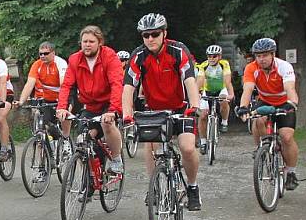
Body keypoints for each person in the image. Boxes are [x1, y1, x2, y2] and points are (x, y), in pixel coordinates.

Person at [122, 13, 202, 210]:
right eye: (145, 35)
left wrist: (194, 106)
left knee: (188, 147)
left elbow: (190, 80)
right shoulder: (139, 56)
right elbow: (128, 88)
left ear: (164, 33)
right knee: (151, 146)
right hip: (155, 109)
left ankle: (192, 187)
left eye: (155, 34)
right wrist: (126, 114)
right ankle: (154, 186)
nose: (150, 39)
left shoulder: (178, 50)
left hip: (181, 107)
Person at [56, 26, 124, 173]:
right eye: (84, 41)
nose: (87, 44)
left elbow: (117, 84)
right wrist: (62, 107)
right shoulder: (75, 59)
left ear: (100, 42)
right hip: (90, 106)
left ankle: (117, 158)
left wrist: (113, 111)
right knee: (82, 141)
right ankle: (88, 179)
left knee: (107, 124)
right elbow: (67, 85)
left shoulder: (109, 56)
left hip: (108, 104)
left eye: (91, 41)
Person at [236, 38, 300, 190]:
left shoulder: (284, 66)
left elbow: (290, 88)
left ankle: (291, 172)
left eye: (265, 55)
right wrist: (243, 107)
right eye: (258, 56)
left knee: (286, 136)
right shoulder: (251, 68)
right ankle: (263, 149)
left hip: (284, 101)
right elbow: (248, 89)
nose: (261, 59)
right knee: (257, 120)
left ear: (273, 54)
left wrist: (292, 103)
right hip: (265, 100)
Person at [17, 41, 70, 146]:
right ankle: (48, 148)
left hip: (62, 96)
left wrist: (62, 103)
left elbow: (63, 84)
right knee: (45, 123)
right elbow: (29, 84)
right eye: (40, 53)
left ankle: (66, 140)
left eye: (46, 53)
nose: (42, 56)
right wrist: (21, 101)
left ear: (53, 53)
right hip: (48, 98)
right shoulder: (37, 65)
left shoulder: (60, 63)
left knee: (63, 116)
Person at [197, 44, 235, 153]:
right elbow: (199, 81)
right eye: (209, 56)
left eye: (214, 56)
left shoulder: (224, 64)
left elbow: (227, 81)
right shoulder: (203, 65)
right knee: (203, 115)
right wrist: (196, 94)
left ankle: (224, 122)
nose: (211, 59)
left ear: (219, 57)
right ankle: (203, 142)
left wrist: (231, 94)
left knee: (223, 100)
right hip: (207, 89)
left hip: (221, 89)